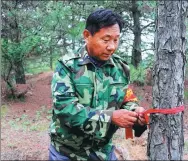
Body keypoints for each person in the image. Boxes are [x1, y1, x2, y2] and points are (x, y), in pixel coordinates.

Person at [49, 8, 147, 161]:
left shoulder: (120, 69)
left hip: (103, 152)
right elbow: (65, 110)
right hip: (68, 153)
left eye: (116, 40)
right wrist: (110, 117)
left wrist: (135, 112)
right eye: (106, 40)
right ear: (87, 36)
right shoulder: (68, 66)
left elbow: (126, 99)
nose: (112, 47)